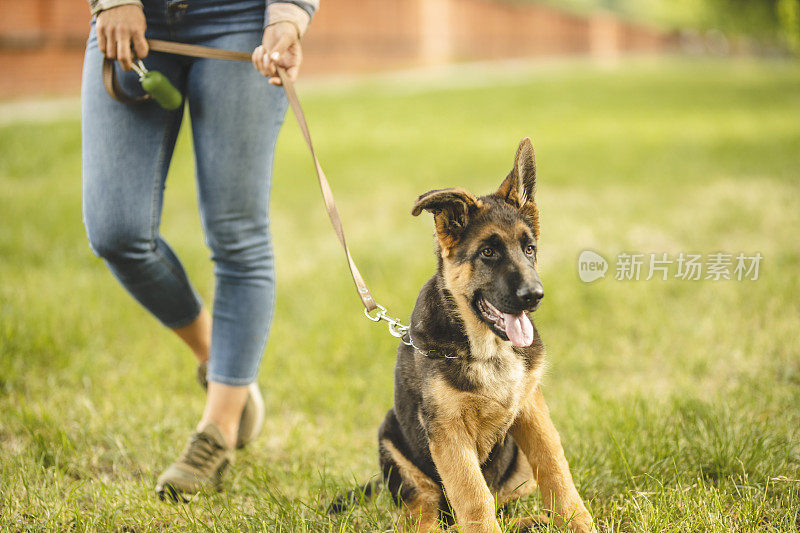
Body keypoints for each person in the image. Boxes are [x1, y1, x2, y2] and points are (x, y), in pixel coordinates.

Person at [82, 0, 318, 500]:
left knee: (237, 234)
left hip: (240, 17)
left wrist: (290, 14)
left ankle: (219, 428)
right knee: (116, 231)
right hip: (130, 14)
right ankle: (220, 358)